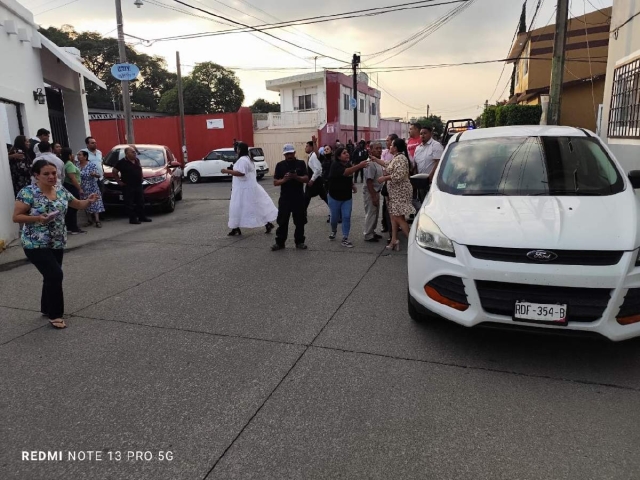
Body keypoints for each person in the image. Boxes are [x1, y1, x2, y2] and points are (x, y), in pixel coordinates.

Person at [12, 159, 98, 329]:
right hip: (35, 243)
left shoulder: (60, 190)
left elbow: (77, 204)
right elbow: (16, 217)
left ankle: (46, 307)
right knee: (55, 275)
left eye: (54, 173)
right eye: (46, 174)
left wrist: (89, 200)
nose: (52, 176)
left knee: (50, 276)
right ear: (36, 175)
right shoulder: (28, 192)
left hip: (57, 241)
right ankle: (55, 315)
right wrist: (37, 218)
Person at [221, 142, 277, 236]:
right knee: (254, 207)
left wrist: (227, 171)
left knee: (237, 207)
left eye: (237, 148)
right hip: (247, 187)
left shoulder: (243, 160)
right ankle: (237, 227)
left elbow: (242, 173)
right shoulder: (247, 159)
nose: (236, 150)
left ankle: (236, 228)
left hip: (244, 189)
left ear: (240, 150)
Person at [327, 147, 369, 248]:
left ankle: (345, 238)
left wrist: (352, 185)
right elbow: (346, 172)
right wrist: (359, 165)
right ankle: (334, 230)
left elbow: (348, 176)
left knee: (346, 217)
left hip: (346, 197)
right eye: (344, 153)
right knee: (334, 218)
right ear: (338, 156)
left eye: (347, 152)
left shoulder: (348, 164)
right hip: (334, 197)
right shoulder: (335, 165)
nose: (347, 154)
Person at [378, 138, 415, 251]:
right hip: (395, 192)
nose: (389, 147)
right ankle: (394, 240)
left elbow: (399, 175)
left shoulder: (401, 158)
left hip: (400, 192)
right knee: (395, 216)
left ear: (396, 148)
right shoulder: (397, 158)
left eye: (391, 145)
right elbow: (386, 164)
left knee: (397, 217)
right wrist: (375, 159)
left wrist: (385, 178)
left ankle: (413, 243)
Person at [272, 144, 309, 251]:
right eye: (287, 154)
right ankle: (280, 242)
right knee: (282, 221)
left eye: (291, 153)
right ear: (284, 154)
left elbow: (306, 179)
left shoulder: (301, 163)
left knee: (300, 221)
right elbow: (275, 182)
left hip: (298, 197)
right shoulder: (280, 165)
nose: (289, 156)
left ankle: (300, 242)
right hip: (285, 198)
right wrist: (284, 180)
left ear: (294, 153)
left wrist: (296, 177)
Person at [112, 146, 152, 225]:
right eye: (132, 152)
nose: (135, 153)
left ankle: (142, 216)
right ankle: (132, 218)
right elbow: (114, 171)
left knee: (140, 201)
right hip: (128, 185)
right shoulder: (122, 162)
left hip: (138, 185)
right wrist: (119, 181)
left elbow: (139, 169)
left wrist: (141, 177)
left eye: (135, 152)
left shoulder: (137, 160)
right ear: (127, 154)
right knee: (129, 203)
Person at [413, 126, 444, 201]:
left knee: (432, 202)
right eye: (421, 134)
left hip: (432, 181)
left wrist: (430, 176)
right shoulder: (418, 148)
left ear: (431, 134)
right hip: (421, 182)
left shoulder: (436, 145)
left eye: (425, 133)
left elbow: (438, 162)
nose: (422, 135)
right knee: (422, 203)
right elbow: (416, 164)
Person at [78, 149, 105, 228]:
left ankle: (97, 220)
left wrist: (94, 174)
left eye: (80, 155)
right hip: (82, 186)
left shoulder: (91, 165)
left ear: (85, 156)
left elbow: (98, 175)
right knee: (85, 203)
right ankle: (89, 220)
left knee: (95, 202)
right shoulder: (77, 165)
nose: (78, 157)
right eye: (78, 155)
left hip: (92, 186)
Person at [363, 141, 385, 242]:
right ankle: (368, 234)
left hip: (376, 191)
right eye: (376, 148)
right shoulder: (370, 163)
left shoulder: (377, 161)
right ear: (371, 150)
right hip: (371, 191)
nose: (379, 150)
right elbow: (369, 181)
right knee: (371, 213)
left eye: (380, 148)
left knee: (375, 213)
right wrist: (373, 196)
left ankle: (372, 231)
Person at [61, 147, 85, 235]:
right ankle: (73, 227)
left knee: (71, 208)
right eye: (72, 154)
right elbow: (72, 178)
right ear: (69, 155)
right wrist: (79, 188)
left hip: (68, 186)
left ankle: (70, 226)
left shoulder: (67, 163)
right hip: (71, 187)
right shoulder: (69, 164)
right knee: (74, 207)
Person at [379, 134, 398, 237]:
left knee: (396, 207)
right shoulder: (385, 153)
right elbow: (383, 166)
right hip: (387, 181)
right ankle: (386, 225)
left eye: (388, 141)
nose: (386, 143)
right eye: (386, 141)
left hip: (396, 183)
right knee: (386, 207)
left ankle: (395, 228)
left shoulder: (400, 156)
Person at [305, 140, 328, 215]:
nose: (305, 148)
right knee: (324, 196)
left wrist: (312, 180)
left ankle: (302, 212)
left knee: (307, 197)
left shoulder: (313, 156)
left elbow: (318, 169)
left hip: (315, 181)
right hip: (317, 180)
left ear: (312, 147)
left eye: (307, 146)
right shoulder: (311, 155)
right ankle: (335, 211)